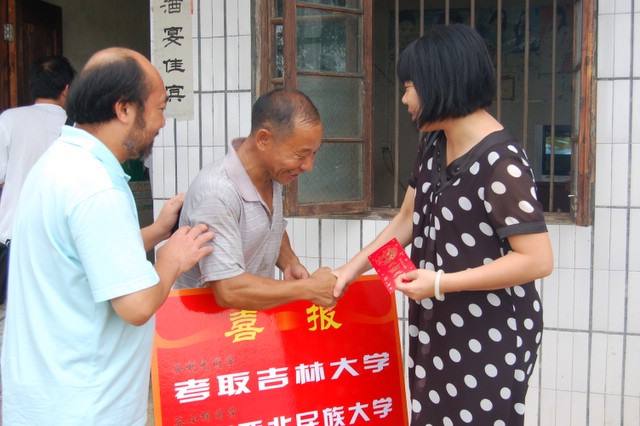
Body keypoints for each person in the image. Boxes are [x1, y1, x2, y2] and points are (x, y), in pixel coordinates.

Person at [332, 24, 553, 425]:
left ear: (440, 82)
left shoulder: (501, 163)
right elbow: (407, 219)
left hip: (491, 328)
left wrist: (439, 283)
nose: (404, 99)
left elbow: (537, 260)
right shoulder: (434, 143)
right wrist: (350, 270)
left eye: (409, 87)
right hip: (438, 318)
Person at [1, 47, 215, 425]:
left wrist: (157, 232)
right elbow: (136, 305)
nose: (162, 122)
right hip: (86, 408)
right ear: (124, 109)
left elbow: (84, 256)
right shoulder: (96, 186)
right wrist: (172, 259)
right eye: (160, 108)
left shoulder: (58, 162)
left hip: (45, 399)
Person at [174, 88, 337, 310]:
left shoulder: (273, 174)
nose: (309, 166)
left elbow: (270, 228)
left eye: (314, 153)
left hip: (249, 322)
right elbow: (228, 290)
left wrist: (289, 262)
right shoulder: (217, 193)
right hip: (206, 325)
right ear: (263, 139)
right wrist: (309, 288)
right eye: (301, 154)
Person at [0, 55, 76, 304]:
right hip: (59, 242)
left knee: (11, 313)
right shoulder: (75, 127)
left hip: (12, 237)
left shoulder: (9, 120)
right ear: (66, 89)